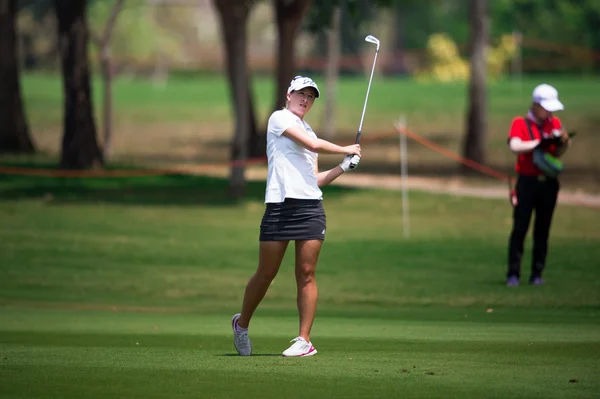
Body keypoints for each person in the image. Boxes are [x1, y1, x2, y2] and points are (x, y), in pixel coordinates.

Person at [231, 76, 361, 357]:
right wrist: (345, 148)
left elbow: (314, 179)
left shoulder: (310, 130)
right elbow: (313, 146)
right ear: (288, 95)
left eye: (311, 96)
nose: (305, 99)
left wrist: (343, 166)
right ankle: (241, 325)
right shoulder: (279, 118)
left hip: (310, 207)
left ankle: (304, 340)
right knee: (266, 273)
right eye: (301, 93)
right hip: (279, 206)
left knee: (306, 273)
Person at [506, 83, 571, 287]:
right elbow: (515, 145)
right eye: (546, 108)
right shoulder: (521, 123)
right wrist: (538, 143)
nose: (549, 112)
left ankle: (536, 274)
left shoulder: (554, 123)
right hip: (527, 182)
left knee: (542, 230)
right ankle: (513, 274)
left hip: (548, 184)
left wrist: (563, 144)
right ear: (535, 105)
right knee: (520, 228)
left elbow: (556, 154)